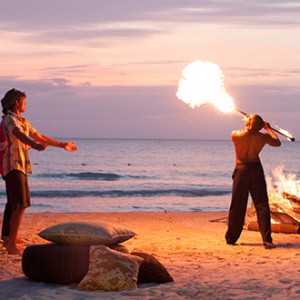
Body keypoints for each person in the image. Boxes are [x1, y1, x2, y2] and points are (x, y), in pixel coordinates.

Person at [1, 88, 78, 255]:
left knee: (16, 204)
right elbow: (19, 134)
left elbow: (40, 136)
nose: (26, 104)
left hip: (20, 165)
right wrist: (33, 144)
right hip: (12, 166)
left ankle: (9, 238)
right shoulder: (9, 119)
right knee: (20, 205)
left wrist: (62, 145)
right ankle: (11, 244)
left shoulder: (24, 121)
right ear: (16, 102)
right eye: (24, 101)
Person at [225, 113, 281, 249]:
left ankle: (231, 238)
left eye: (248, 117)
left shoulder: (236, 135)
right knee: (262, 205)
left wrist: (259, 125)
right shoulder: (263, 137)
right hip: (256, 169)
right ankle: (267, 239)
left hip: (242, 170)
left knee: (238, 205)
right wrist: (267, 128)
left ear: (249, 124)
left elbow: (246, 130)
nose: (246, 116)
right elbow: (277, 142)